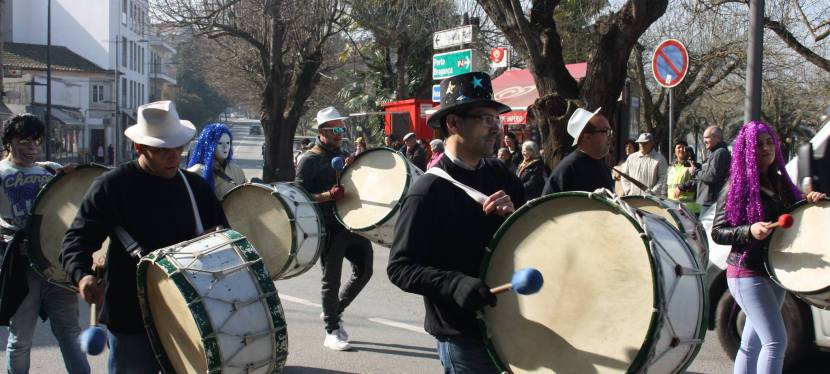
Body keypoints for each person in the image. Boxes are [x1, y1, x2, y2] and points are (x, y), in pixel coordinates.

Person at [59, 101, 228, 373]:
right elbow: (77, 239)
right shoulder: (112, 186)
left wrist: (216, 240)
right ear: (139, 147)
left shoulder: (196, 188)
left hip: (189, 314)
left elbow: (225, 239)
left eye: (177, 147)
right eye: (162, 149)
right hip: (130, 315)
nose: (173, 155)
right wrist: (82, 275)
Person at [388, 72, 526, 373]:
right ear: (453, 123)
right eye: (484, 118)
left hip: (514, 325)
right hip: (464, 338)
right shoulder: (427, 191)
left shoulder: (502, 175)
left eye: (496, 118)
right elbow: (401, 267)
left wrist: (516, 217)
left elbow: (531, 237)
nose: (496, 127)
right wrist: (454, 283)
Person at [711, 121, 825, 374]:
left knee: (751, 344)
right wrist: (749, 230)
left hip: (775, 272)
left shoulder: (781, 183)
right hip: (746, 273)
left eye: (769, 142)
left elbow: (796, 214)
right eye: (758, 144)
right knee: (776, 341)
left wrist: (810, 200)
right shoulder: (735, 187)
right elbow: (718, 232)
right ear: (747, 150)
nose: (766, 148)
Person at [0, 114, 90, 374]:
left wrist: (71, 180)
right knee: (20, 338)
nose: (31, 146)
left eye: (36, 141)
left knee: (70, 333)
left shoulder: (51, 170)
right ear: (9, 142)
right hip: (20, 265)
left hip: (55, 264)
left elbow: (72, 204)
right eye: (24, 141)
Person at [296, 106, 373, 351]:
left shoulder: (344, 153)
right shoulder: (309, 159)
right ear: (322, 131)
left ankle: (335, 310)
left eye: (343, 129)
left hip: (352, 223)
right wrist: (328, 195)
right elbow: (299, 196)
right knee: (331, 279)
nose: (341, 134)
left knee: (365, 270)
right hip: (328, 226)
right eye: (336, 130)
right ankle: (331, 330)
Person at [542, 107, 614, 194]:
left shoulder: (603, 167)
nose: (611, 136)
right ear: (587, 138)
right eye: (606, 131)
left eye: (610, 131)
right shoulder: (567, 170)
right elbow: (547, 202)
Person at [187, 123, 247, 200]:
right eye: (220, 143)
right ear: (209, 145)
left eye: (228, 143)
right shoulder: (195, 173)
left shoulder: (237, 170)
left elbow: (246, 199)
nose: (225, 147)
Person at [686, 125, 732, 211]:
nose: (704, 141)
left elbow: (711, 176)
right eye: (704, 138)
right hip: (707, 202)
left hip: (712, 204)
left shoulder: (720, 153)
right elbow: (707, 172)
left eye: (707, 137)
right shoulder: (713, 153)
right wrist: (698, 167)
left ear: (718, 138)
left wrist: (695, 171)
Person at [621, 132, 668, 197]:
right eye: (640, 143)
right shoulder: (631, 158)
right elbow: (624, 175)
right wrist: (628, 190)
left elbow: (663, 179)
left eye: (645, 143)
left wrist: (653, 193)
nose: (642, 145)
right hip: (633, 198)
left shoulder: (660, 159)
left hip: (651, 200)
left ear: (651, 143)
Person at [667, 140, 700, 214]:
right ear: (675, 151)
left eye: (683, 147)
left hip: (689, 209)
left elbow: (698, 182)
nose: (681, 149)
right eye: (679, 147)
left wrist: (682, 187)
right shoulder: (671, 168)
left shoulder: (693, 165)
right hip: (673, 207)